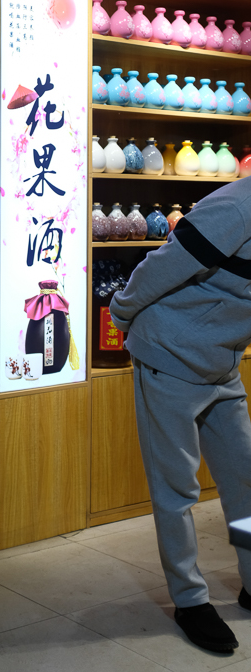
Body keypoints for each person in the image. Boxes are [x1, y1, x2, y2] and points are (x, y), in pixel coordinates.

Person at [109, 177, 251, 653]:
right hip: (168, 353)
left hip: (221, 362)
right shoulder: (238, 206)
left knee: (245, 478)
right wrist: (122, 312)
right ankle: (190, 601)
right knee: (177, 489)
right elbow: (163, 264)